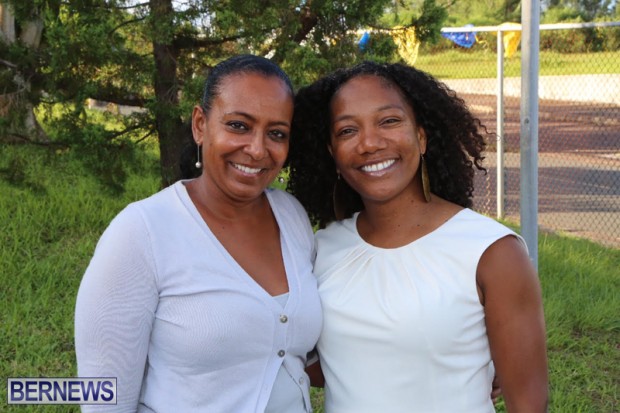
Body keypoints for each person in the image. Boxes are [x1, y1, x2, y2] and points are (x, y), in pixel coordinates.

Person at [287, 61, 548, 412]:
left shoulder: (491, 252)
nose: (369, 143)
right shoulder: (323, 248)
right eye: (347, 130)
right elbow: (340, 362)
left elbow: (529, 404)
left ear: (421, 137)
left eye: (389, 121)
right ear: (333, 154)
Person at [75, 54, 322, 413]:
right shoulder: (141, 232)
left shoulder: (291, 216)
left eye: (276, 134)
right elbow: (104, 397)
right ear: (200, 125)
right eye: (238, 125)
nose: (257, 149)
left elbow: (298, 353)